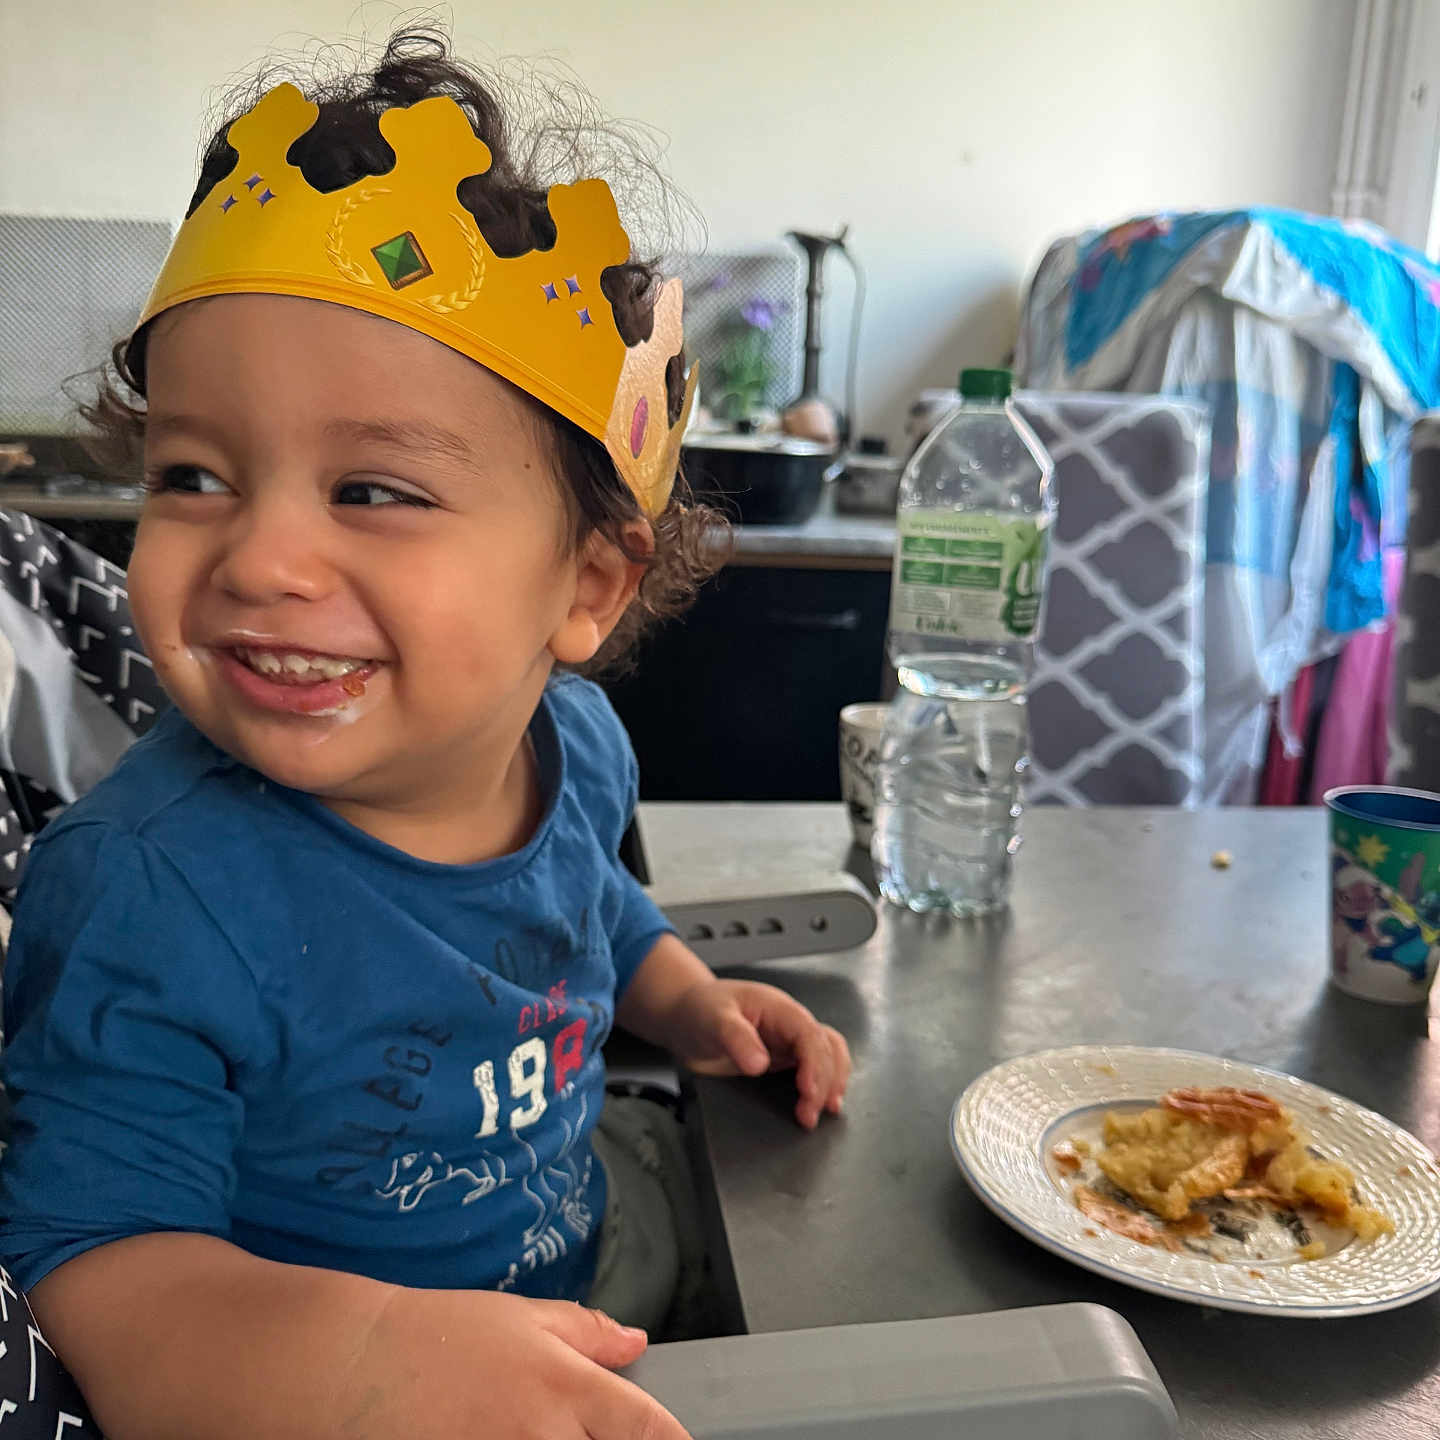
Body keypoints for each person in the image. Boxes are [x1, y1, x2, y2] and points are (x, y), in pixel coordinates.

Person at [0, 27, 850, 1440]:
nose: (261, 557)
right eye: (195, 475)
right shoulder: (141, 895)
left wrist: (688, 996)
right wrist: (370, 1362)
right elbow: (94, 1275)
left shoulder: (576, 747)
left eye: (375, 491)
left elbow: (590, 911)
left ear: (585, 586)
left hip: (585, 1282)